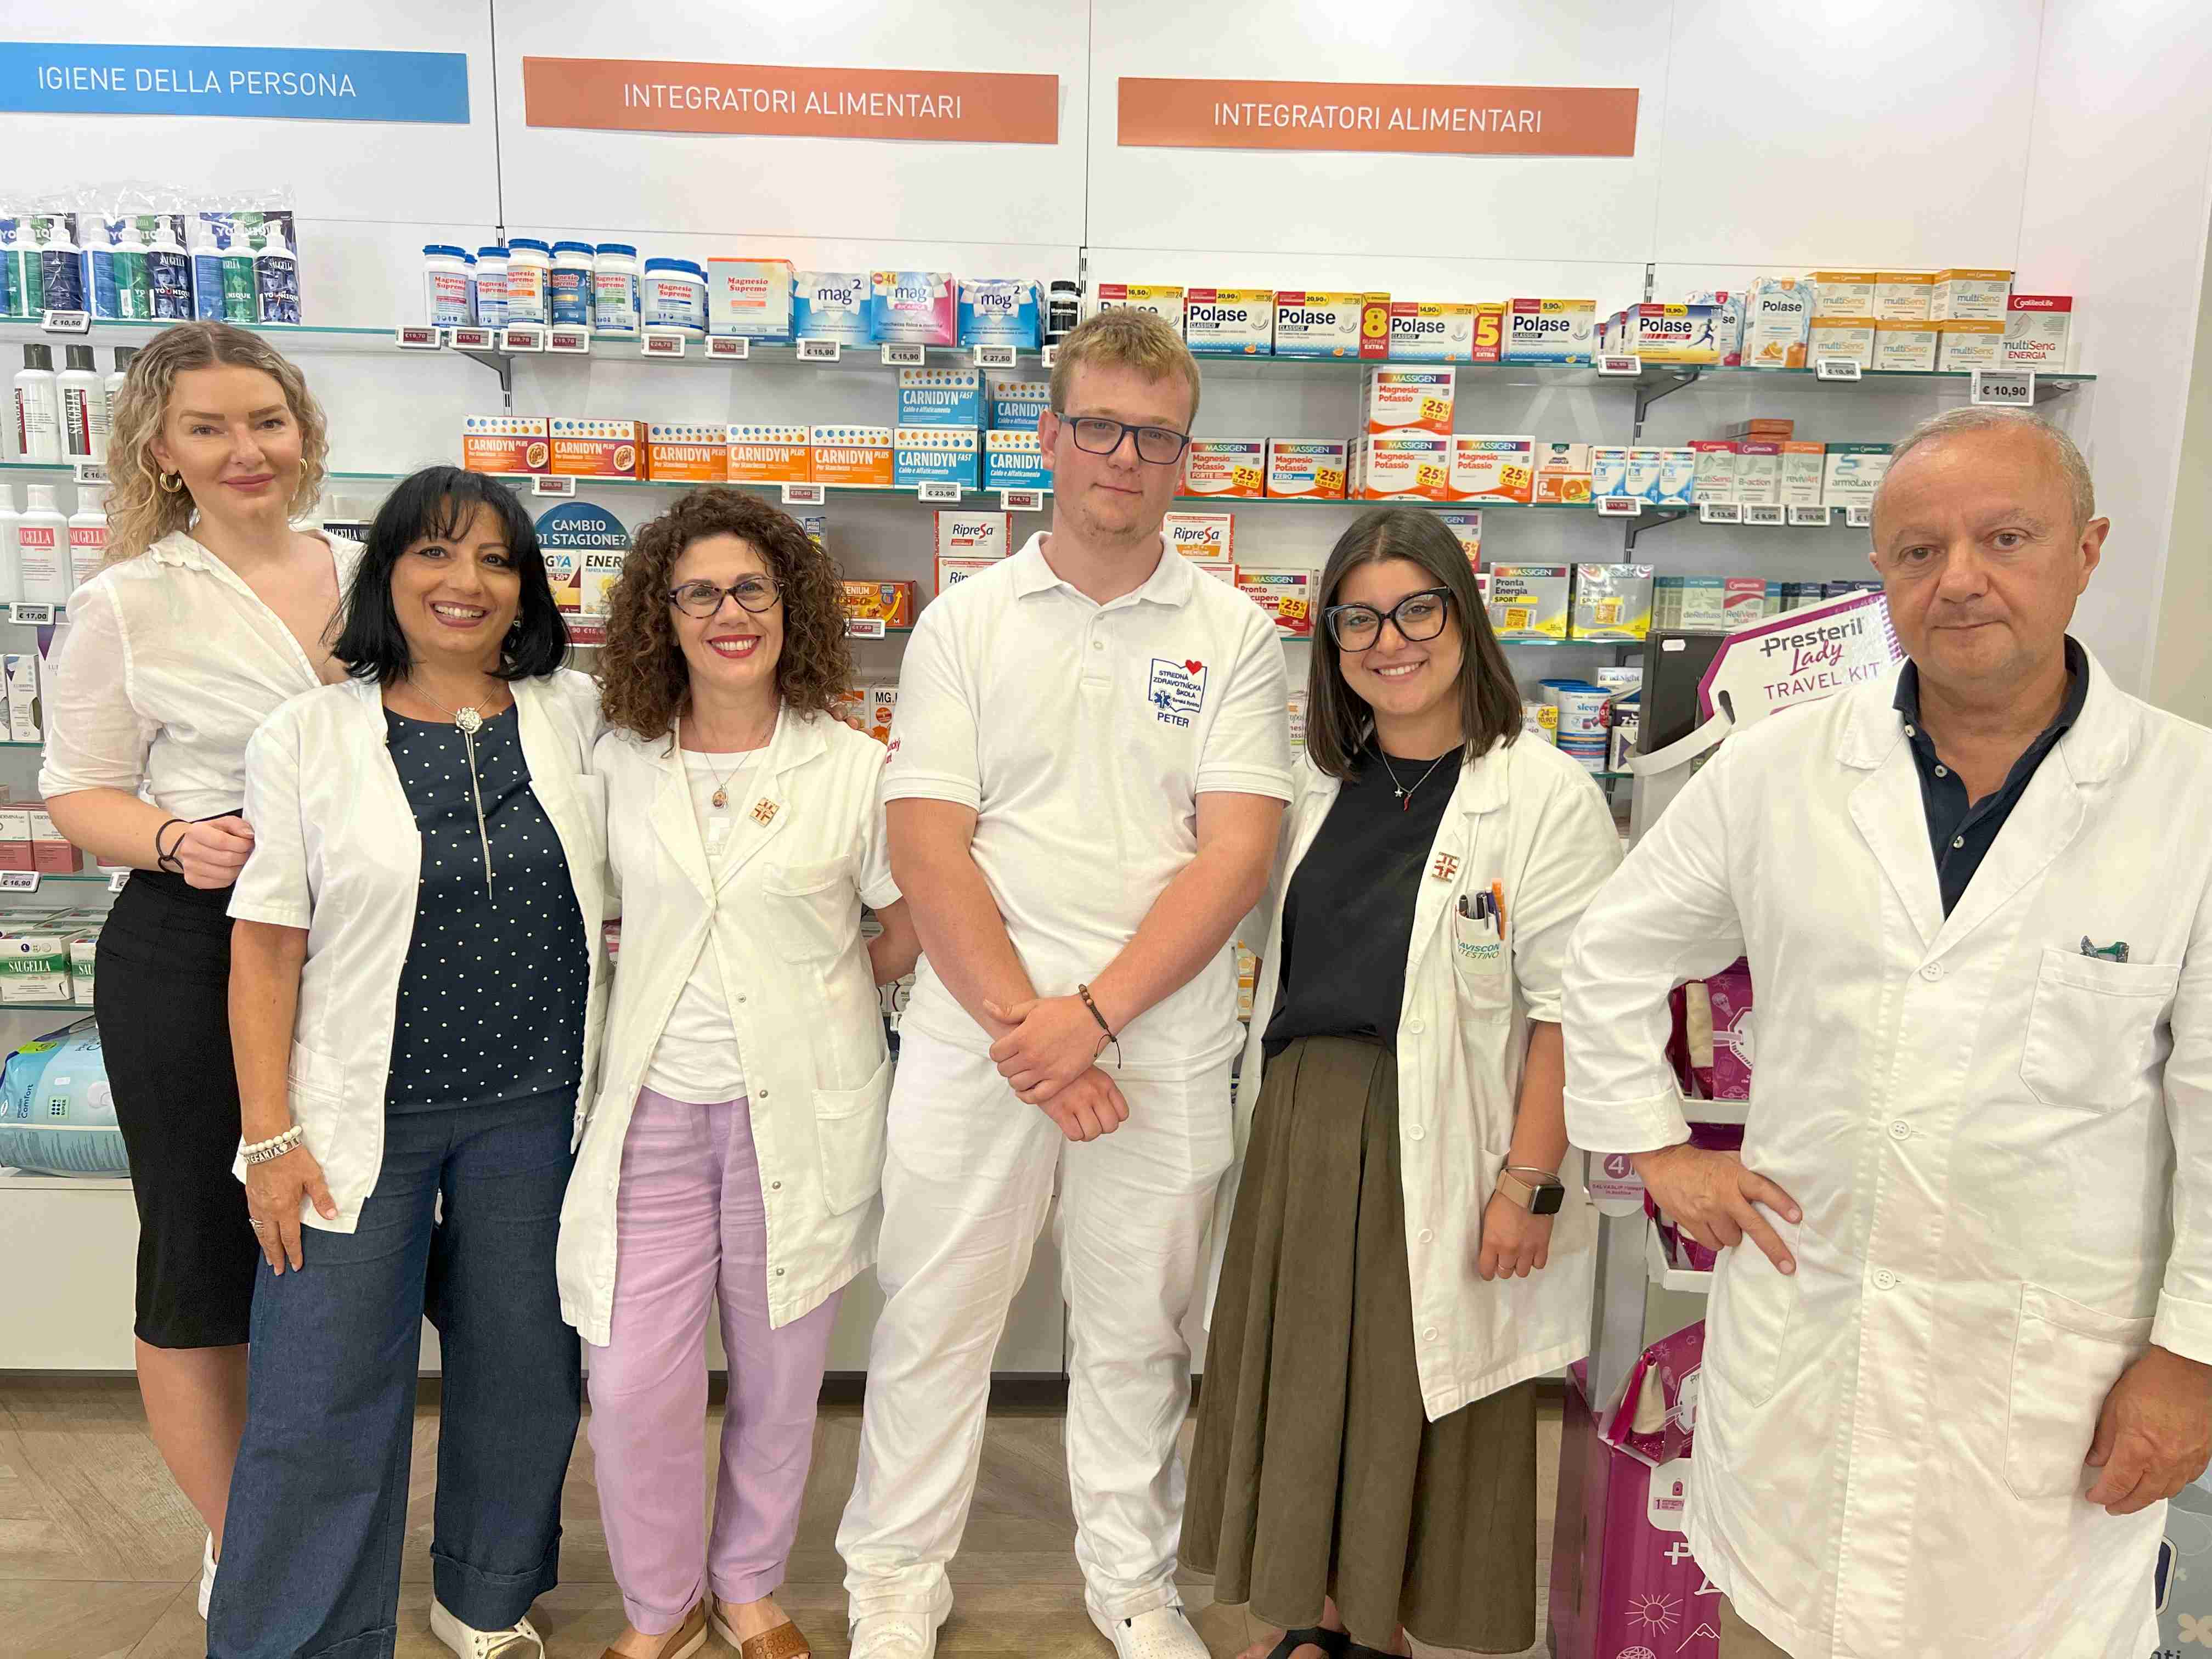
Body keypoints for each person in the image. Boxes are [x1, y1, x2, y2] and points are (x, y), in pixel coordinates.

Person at [1561, 407, 2212, 1658]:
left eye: (2005, 538)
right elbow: (1610, 953)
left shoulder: (2186, 797)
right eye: (1919, 551)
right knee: (1780, 1626)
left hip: (2044, 1410)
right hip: (1812, 1372)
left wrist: (2194, 1359)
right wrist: (1654, 1146)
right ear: (1882, 575)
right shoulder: (1779, 771)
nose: (1958, 579)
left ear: (2088, 550)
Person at [836, 307, 1294, 1659]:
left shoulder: (1236, 632)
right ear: (1049, 438)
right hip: (980, 1036)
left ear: (1185, 459)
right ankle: (895, 1580)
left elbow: (1237, 854)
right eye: (1099, 426)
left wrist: (1092, 1021)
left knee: (1140, 1330)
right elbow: (929, 841)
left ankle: (1132, 1580)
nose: (1123, 457)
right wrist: (1031, 1032)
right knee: (934, 1316)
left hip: (1155, 1043)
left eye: (1155, 437)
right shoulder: (967, 622)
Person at [1183, 507, 1622, 1659]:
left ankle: (1381, 1628)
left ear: (1464, 619)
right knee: (1305, 1381)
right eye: (1359, 621)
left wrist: (1529, 1183)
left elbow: (1571, 1012)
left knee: (1404, 1384)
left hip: (1448, 1133)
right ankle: (1316, 1619)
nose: (1391, 642)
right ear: (1331, 644)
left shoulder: (1542, 794)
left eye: (1417, 611)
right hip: (1304, 1123)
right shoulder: (1313, 785)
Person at [209, 466, 608, 1659]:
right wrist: (271, 1135)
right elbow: (266, 945)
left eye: (494, 559)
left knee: (526, 1366)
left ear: (526, 588)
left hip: (537, 1110)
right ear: (386, 571)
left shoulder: (575, 713)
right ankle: (300, 1636)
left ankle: (485, 1595)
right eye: (434, 552)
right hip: (355, 1115)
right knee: (321, 1381)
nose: (464, 581)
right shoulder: (309, 734)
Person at [562, 489, 920, 1659]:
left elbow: (907, 925)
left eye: (753, 589)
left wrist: (820, 993)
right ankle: (660, 1605)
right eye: (701, 593)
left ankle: (750, 1586)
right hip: (652, 1112)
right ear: (661, 617)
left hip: (799, 1116)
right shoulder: (619, 762)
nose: (730, 614)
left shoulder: (854, 767)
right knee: (632, 1386)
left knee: (779, 1378)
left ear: (791, 606)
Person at [37, 320, 350, 1619]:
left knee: (332, 1237)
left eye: (265, 422)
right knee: (201, 1244)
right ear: (160, 451)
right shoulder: (130, 601)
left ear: (302, 432)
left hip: (355, 949)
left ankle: (317, 1502)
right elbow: (75, 792)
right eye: (208, 429)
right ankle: (241, 1540)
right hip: (192, 945)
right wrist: (174, 839)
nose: (244, 450)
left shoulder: (369, 568)